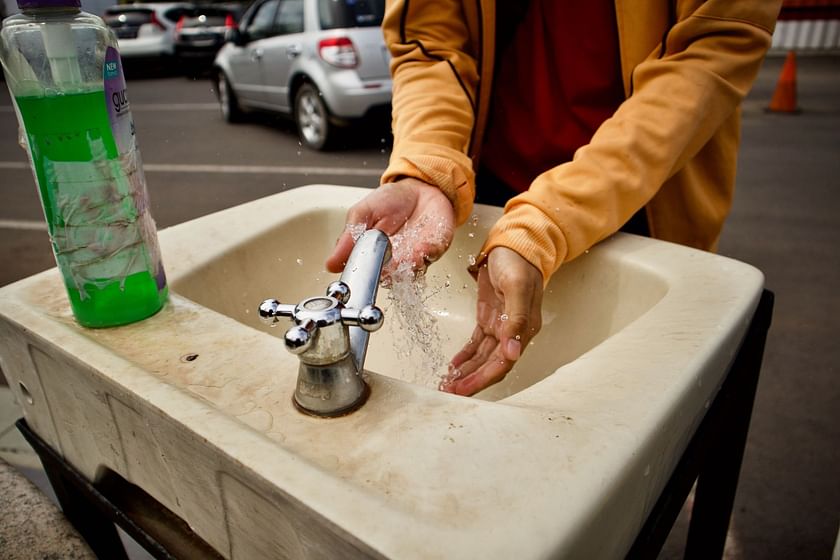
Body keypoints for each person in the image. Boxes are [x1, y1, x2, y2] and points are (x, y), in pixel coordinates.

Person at [326, 0, 782, 396]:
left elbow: (709, 51)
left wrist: (546, 220)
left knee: (637, 405)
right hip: (492, 198)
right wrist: (427, 168)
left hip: (644, 199)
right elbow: (429, 42)